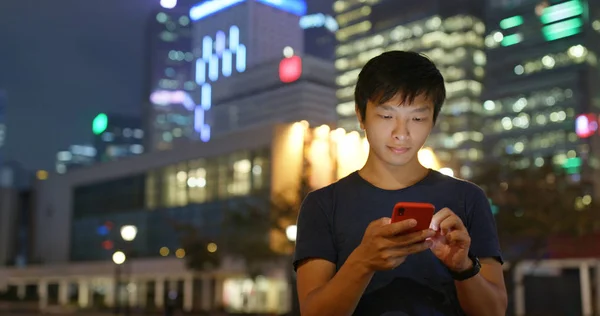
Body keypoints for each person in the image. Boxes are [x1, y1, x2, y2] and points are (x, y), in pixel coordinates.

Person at [293, 51, 507, 315]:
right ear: (361, 116)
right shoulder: (323, 205)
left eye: (417, 118)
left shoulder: (468, 198)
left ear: (432, 122)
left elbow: (495, 311)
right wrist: (363, 262)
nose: (401, 133)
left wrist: (463, 267)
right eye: (386, 116)